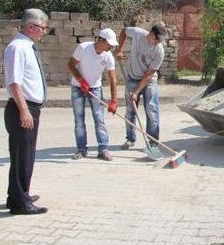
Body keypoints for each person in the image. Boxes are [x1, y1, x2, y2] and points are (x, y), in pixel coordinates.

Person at [3, 8, 49, 215]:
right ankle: (20, 203)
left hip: (30, 107)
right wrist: (24, 111)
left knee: (26, 155)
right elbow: (14, 82)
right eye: (43, 28)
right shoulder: (17, 48)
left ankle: (20, 194)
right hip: (23, 107)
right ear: (31, 26)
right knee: (22, 156)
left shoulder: (26, 47)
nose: (44, 32)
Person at [67, 28, 119, 161]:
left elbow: (112, 79)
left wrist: (113, 101)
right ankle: (81, 149)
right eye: (109, 44)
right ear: (100, 40)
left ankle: (103, 149)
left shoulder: (108, 56)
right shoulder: (83, 48)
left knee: (99, 119)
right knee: (79, 120)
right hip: (78, 88)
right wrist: (81, 80)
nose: (111, 47)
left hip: (95, 88)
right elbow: (71, 65)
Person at [115, 24, 167, 153]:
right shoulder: (138, 33)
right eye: (156, 39)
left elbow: (149, 74)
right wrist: (120, 49)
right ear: (150, 33)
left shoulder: (159, 50)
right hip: (132, 77)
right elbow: (123, 31)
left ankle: (153, 142)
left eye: (160, 40)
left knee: (152, 109)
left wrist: (136, 92)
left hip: (149, 80)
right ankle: (130, 139)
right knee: (130, 111)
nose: (157, 43)